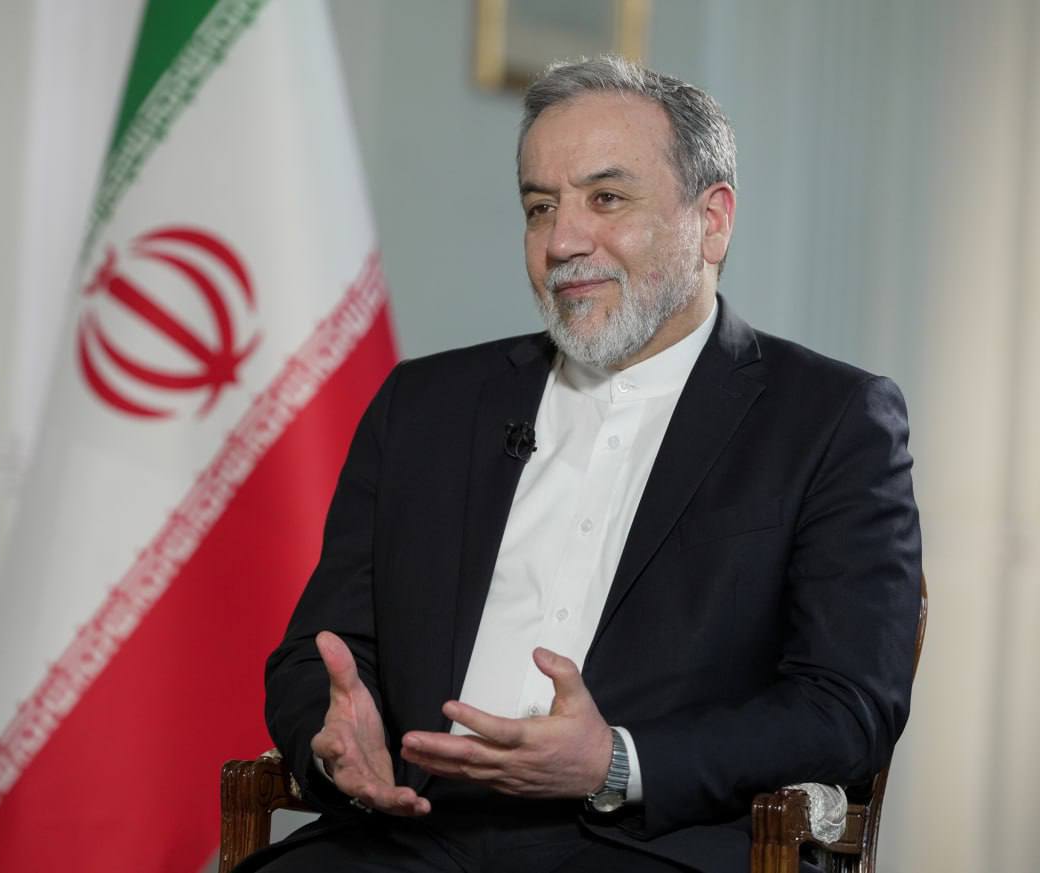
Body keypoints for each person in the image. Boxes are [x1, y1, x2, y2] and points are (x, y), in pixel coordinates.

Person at [243, 56, 922, 873]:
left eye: (606, 198)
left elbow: (844, 707)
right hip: (412, 835)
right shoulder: (423, 406)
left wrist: (617, 761)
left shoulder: (831, 421)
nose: (563, 241)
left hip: (649, 845)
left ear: (712, 220)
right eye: (540, 206)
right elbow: (317, 652)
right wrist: (332, 735)